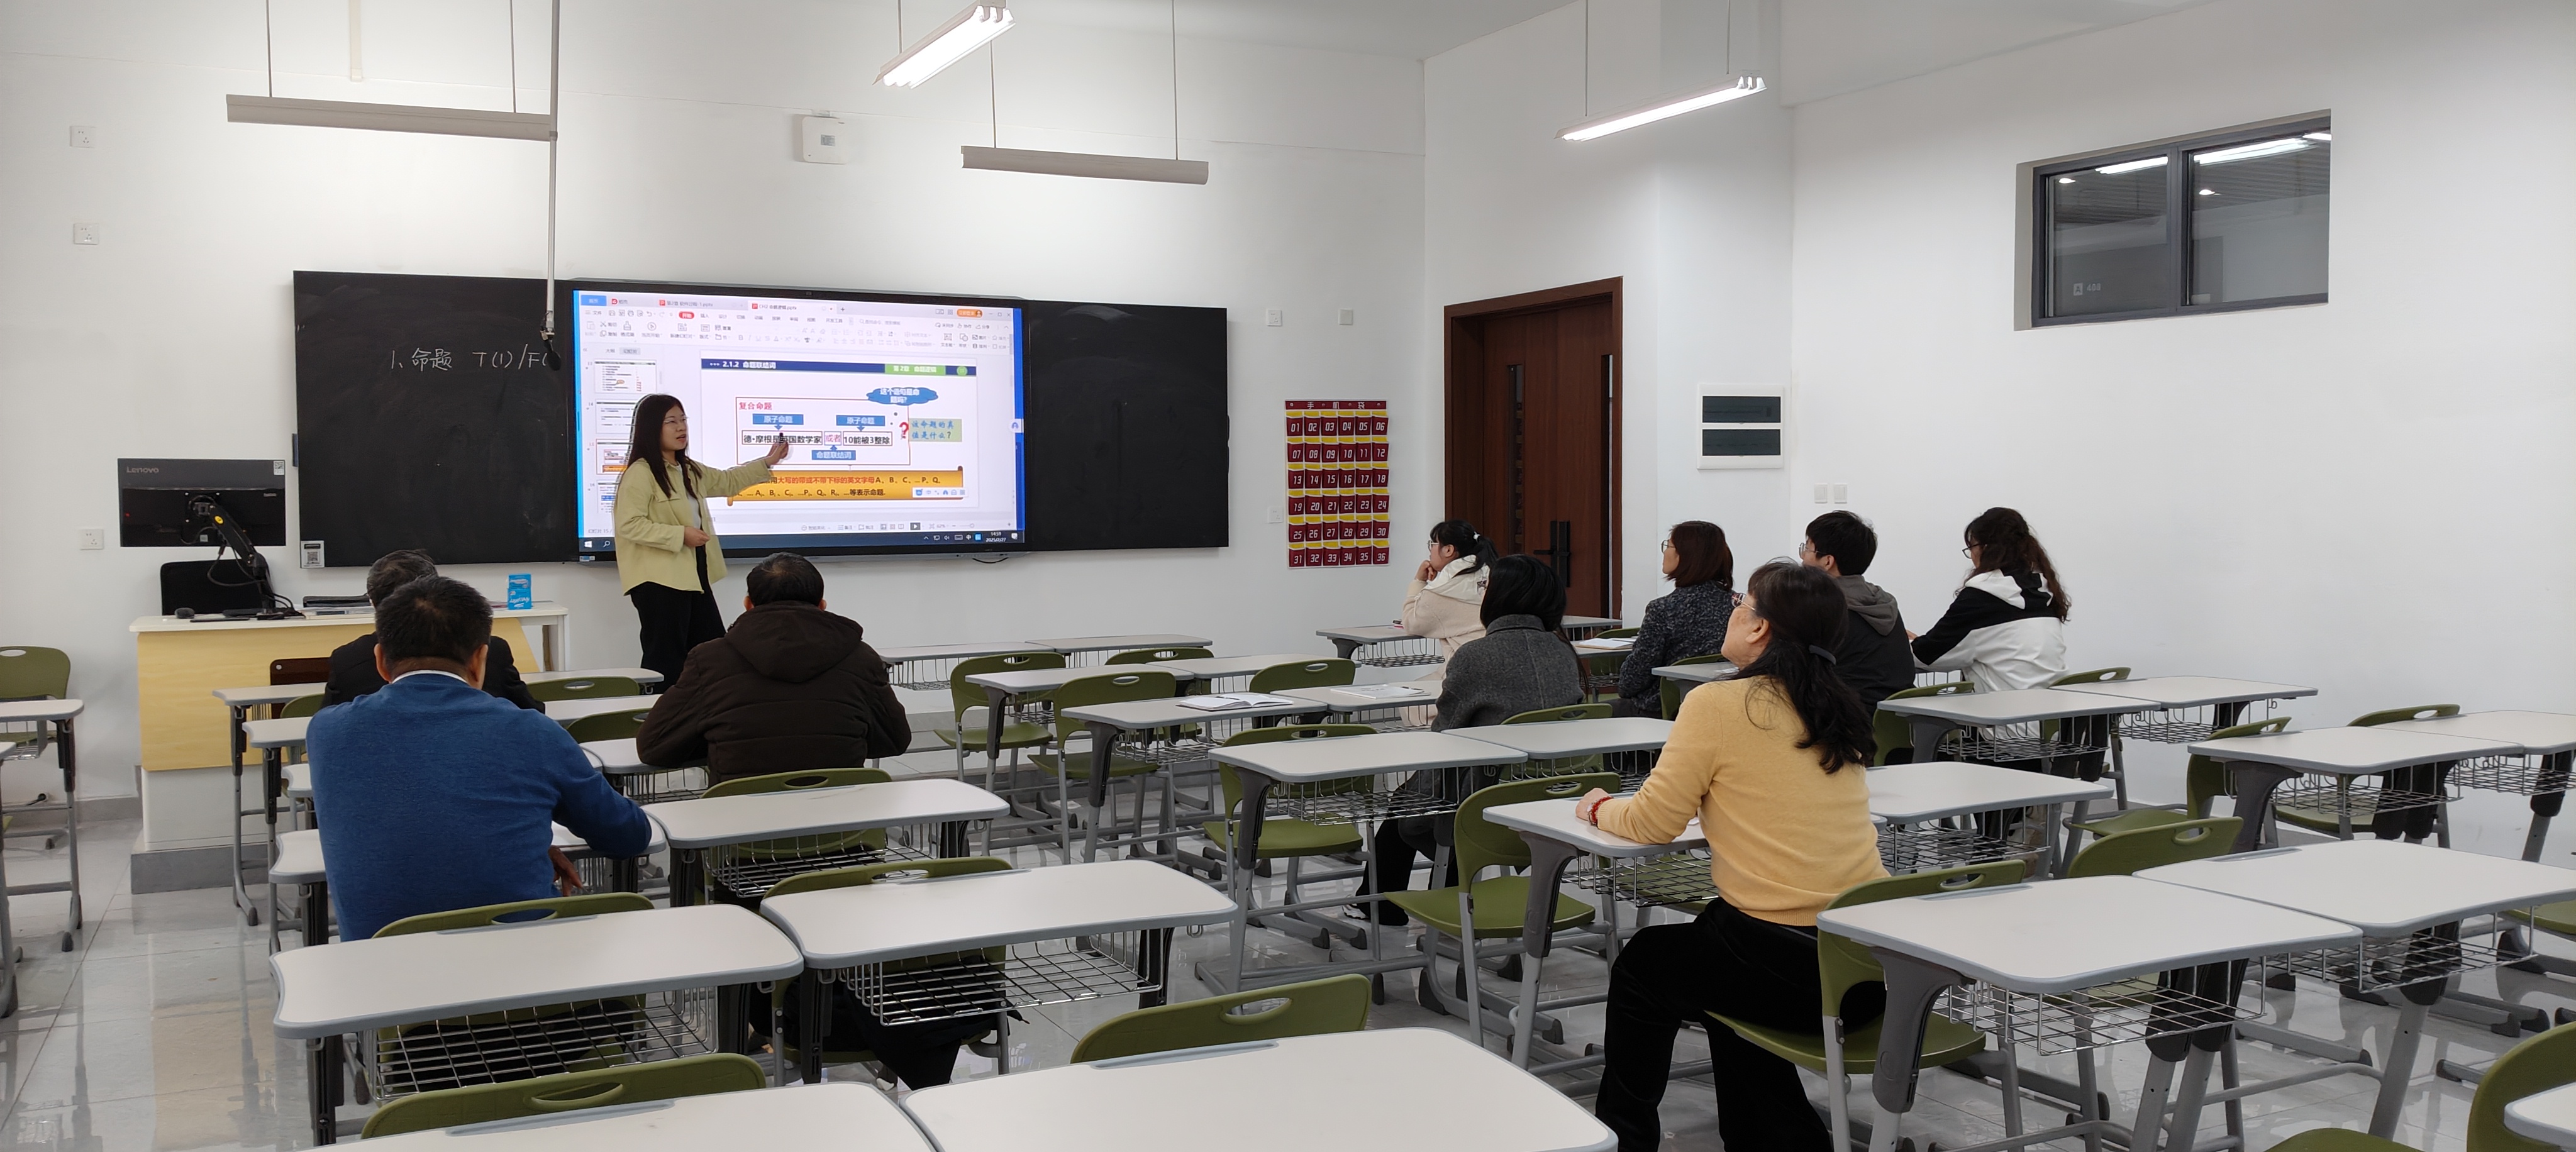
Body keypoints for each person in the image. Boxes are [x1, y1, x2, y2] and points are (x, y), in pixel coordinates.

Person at [1572, 562, 1887, 1152]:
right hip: (1869, 962)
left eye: (1741, 604)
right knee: (1714, 955)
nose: (1733, 612)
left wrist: (1597, 807)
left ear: (1760, 628)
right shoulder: (1838, 703)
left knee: (1645, 966)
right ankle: (1776, 1136)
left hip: (1789, 969)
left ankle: (1624, 1138)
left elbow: (1651, 823)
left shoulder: (1717, 702)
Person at [306, 575, 652, 942]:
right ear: (480, 659)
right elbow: (628, 836)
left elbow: (417, 812)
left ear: (380, 660)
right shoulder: (532, 731)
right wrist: (526, 843)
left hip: (379, 969)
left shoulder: (327, 731)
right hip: (527, 965)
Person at [1360, 553, 1584, 926]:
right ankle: (1445, 895)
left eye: (1486, 587)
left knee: (1411, 804)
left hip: (1483, 801)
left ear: (1498, 597)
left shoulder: (1475, 656)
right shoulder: (1563, 653)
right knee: (1443, 794)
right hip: (1553, 796)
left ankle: (1384, 906)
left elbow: (1445, 736)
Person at [636, 552, 910, 785]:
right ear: (822, 606)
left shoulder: (708, 659)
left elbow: (655, 747)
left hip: (739, 826)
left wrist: (720, 742)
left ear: (748, 605)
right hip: (844, 823)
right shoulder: (861, 657)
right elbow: (894, 740)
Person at [614, 394, 790, 684]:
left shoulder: (687, 469)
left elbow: (727, 481)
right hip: (658, 579)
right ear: (651, 428)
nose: (681, 427)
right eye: (671, 421)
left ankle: (706, 706)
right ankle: (662, 709)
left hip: (692, 572)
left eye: (683, 420)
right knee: (666, 658)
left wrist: (769, 461)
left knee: (711, 649)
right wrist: (680, 534)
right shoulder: (641, 473)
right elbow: (629, 525)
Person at [321, 549, 540, 710]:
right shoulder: (491, 650)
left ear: (373, 602)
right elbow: (531, 713)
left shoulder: (348, 660)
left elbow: (330, 723)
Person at [1910, 506, 2069, 695]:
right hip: (2054, 710)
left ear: (1985, 549)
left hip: (2005, 712)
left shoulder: (1983, 594)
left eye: (1971, 548)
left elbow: (1929, 656)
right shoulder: (2044, 591)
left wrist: (1899, 644)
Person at [1613, 521, 1737, 717]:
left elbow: (1633, 680)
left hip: (1663, 708)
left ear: (1686, 555)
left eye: (1669, 546)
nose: (1665, 552)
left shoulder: (1663, 609)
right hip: (1721, 706)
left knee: (1595, 715)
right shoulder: (1737, 606)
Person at [1798, 511, 1915, 713]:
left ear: (1827, 562)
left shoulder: (1823, 608)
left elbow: (1797, 668)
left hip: (1847, 719)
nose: (1802, 558)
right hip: (1900, 719)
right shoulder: (1884, 601)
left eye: (1807, 548)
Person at [1399, 519, 1497, 659]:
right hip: (1502, 659)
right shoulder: (1491, 573)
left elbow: (1411, 624)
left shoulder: (1442, 592)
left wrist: (1419, 581)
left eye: (1432, 544)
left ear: (1448, 550)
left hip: (1470, 665)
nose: (1430, 550)